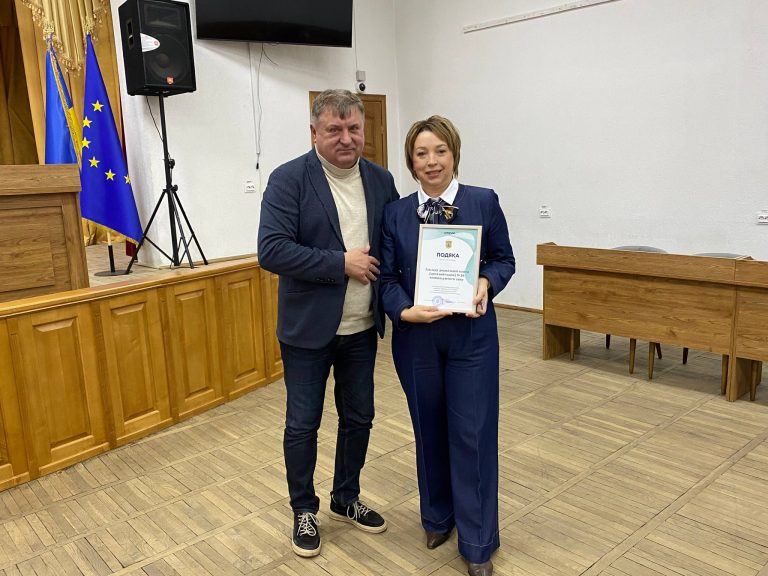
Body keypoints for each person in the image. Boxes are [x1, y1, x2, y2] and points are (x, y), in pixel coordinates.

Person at [257, 89, 399, 558]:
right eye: (334, 129)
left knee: (359, 418)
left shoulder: (380, 180)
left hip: (361, 328)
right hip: (307, 332)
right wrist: (339, 263)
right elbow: (271, 250)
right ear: (314, 133)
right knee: (303, 425)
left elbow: (397, 245)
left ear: (363, 129)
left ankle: (345, 497)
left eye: (353, 128)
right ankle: (304, 509)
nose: (346, 138)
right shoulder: (288, 179)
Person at [379, 116, 515, 576]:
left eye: (440, 151)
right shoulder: (396, 213)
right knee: (428, 428)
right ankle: (437, 517)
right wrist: (403, 311)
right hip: (416, 339)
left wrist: (485, 282)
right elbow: (386, 278)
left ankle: (477, 543)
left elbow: (503, 259)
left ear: (454, 153)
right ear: (411, 162)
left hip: (471, 338)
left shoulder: (482, 201)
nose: (432, 161)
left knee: (472, 434)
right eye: (422, 153)